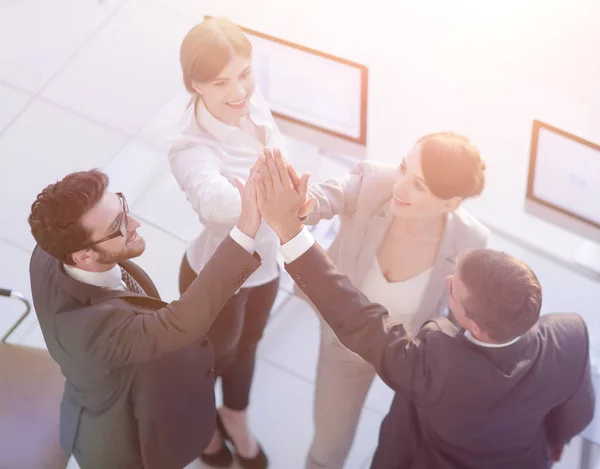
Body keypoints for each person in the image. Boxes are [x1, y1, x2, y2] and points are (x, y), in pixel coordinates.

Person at [251, 148, 595, 469]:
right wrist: (554, 441)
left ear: (476, 327)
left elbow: (355, 316)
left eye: (454, 295)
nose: (446, 284)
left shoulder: (434, 364)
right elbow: (578, 414)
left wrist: (289, 233)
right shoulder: (572, 335)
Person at [27, 167, 264, 469]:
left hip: (129, 385)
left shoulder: (51, 247)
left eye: (122, 205)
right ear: (83, 256)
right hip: (132, 442)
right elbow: (179, 322)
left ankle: (210, 438)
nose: (134, 223)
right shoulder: (95, 331)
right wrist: (246, 229)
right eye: (118, 225)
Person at [299, 132, 490, 468]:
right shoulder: (374, 181)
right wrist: (296, 204)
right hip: (346, 344)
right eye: (403, 168)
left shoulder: (469, 240)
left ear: (450, 203)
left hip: (411, 357)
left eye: (418, 185)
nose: (399, 187)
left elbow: (462, 315)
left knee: (408, 450)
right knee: (328, 446)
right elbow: (323, 198)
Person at [169, 17, 309, 468]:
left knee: (247, 345)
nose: (240, 91)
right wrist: (269, 195)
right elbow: (215, 201)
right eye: (222, 81)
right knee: (211, 358)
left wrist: (260, 188)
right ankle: (202, 425)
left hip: (265, 266)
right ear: (195, 85)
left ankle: (235, 415)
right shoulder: (190, 146)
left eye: (245, 73)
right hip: (218, 273)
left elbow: (274, 161)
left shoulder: (247, 99)